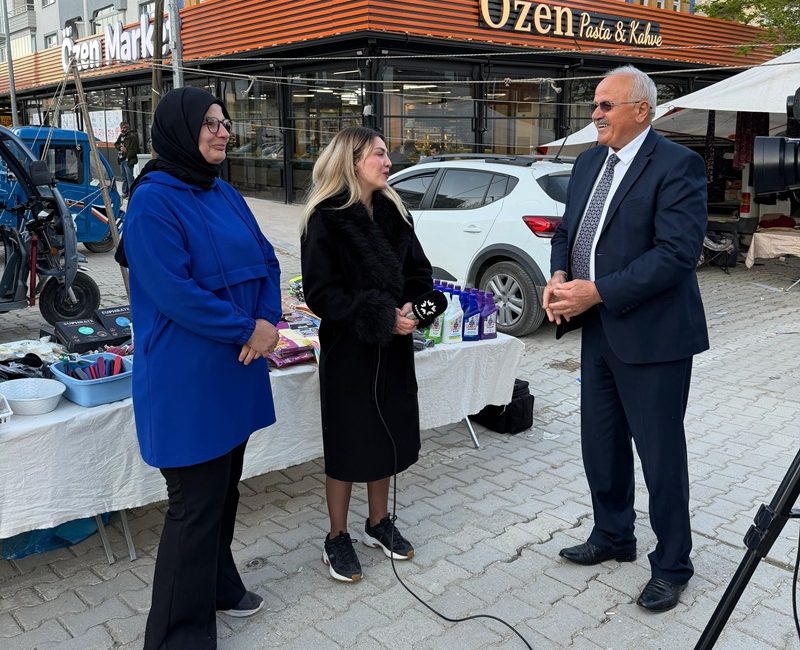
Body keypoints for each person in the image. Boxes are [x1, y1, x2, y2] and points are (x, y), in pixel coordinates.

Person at [543, 65, 709, 613]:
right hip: (598, 333)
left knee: (660, 456)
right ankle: (614, 535)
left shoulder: (679, 164)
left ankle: (673, 564)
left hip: (655, 338)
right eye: (595, 104)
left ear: (642, 110)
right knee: (601, 444)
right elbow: (568, 230)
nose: (595, 115)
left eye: (606, 105)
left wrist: (599, 292)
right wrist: (561, 277)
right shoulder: (590, 161)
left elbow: (676, 255)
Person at [123, 87, 282, 648]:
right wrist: (247, 330)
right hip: (187, 379)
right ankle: (175, 636)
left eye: (225, 121)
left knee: (225, 490)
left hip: (234, 369)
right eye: (209, 123)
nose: (222, 131)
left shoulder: (225, 193)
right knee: (193, 506)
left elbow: (267, 259)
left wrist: (266, 320)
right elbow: (173, 292)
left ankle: (219, 586)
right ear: (177, 130)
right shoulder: (151, 202)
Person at [300, 126, 435, 583]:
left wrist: (415, 308)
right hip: (349, 349)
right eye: (379, 154)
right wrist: (380, 314)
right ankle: (336, 536)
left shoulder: (395, 212)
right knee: (347, 442)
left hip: (395, 349)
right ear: (353, 160)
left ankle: (378, 523)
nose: (388, 161)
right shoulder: (325, 218)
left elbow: (420, 272)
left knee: (386, 433)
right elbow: (322, 293)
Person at [115, 121, 140, 198]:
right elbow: (116, 144)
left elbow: (134, 149)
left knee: (130, 178)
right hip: (121, 159)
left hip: (128, 160)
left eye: (125, 127)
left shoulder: (132, 136)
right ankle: (125, 193)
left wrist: (127, 157)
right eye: (121, 128)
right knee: (124, 178)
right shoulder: (121, 136)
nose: (123, 129)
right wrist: (120, 147)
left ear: (128, 127)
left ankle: (132, 194)